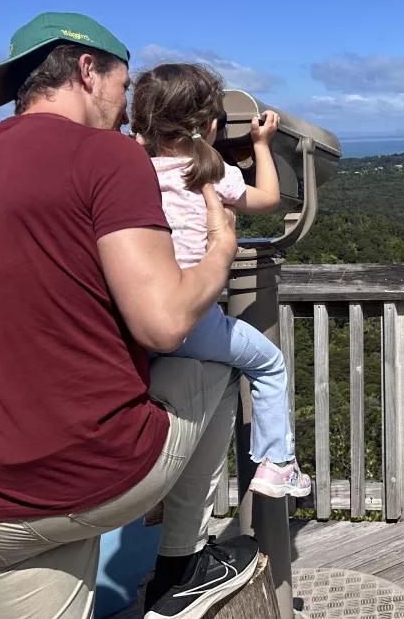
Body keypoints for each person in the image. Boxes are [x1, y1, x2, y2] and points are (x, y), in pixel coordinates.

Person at [0, 12, 259, 619]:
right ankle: (180, 565)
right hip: (95, 472)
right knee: (222, 361)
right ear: (88, 70)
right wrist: (220, 250)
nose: (127, 105)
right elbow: (163, 324)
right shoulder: (105, 155)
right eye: (124, 85)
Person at [131, 62, 312, 498]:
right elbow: (267, 199)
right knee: (269, 365)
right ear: (211, 124)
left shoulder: (132, 172)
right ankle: (278, 465)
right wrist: (261, 144)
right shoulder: (211, 175)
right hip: (193, 320)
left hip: (139, 318)